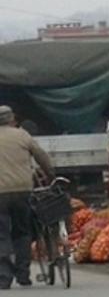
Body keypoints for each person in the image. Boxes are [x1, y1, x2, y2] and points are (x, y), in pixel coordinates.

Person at [0, 105, 54, 289]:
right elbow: (41, 156)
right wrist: (50, 174)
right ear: (11, 119)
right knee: (22, 232)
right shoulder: (22, 135)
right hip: (22, 190)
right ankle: (23, 274)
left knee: (2, 234)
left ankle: (4, 278)